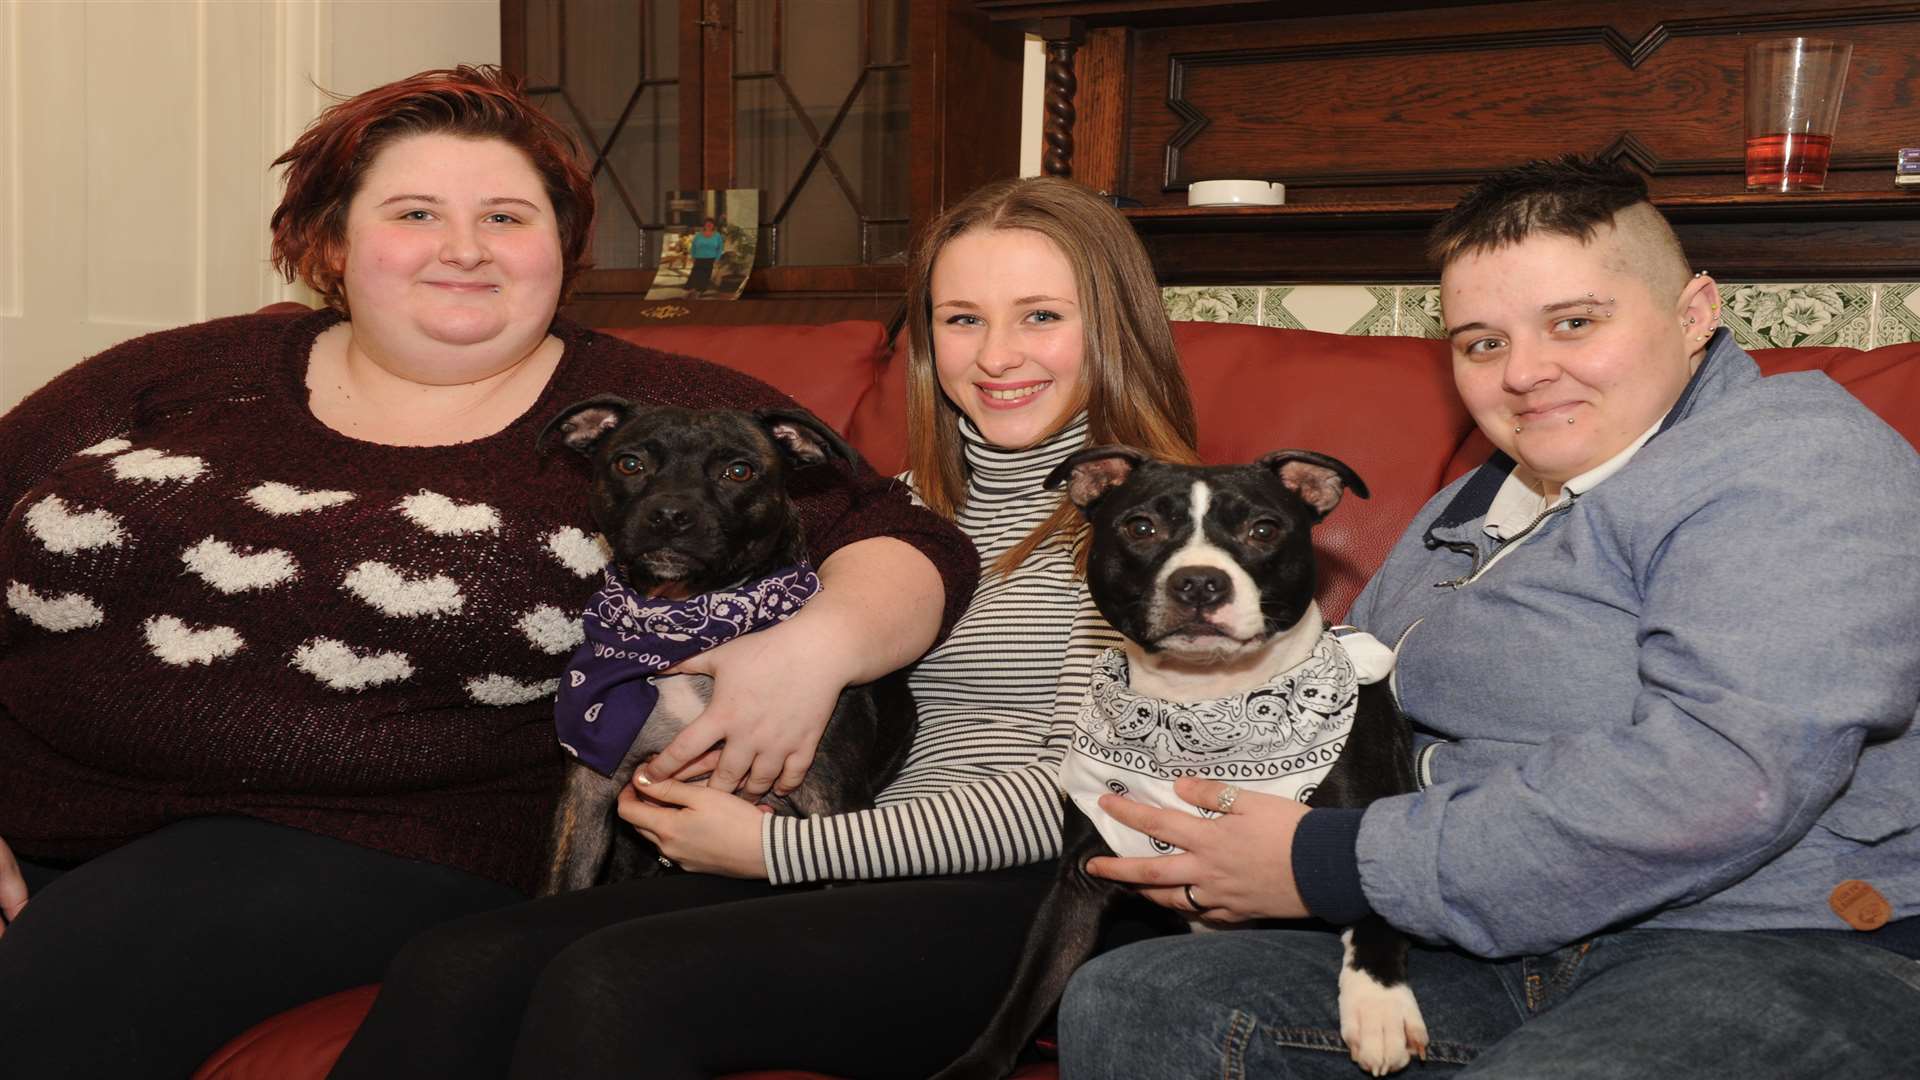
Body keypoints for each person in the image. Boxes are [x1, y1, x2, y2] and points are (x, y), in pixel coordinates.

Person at [0, 66, 976, 1079]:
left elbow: (903, 534)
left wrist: (815, 651)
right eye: (415, 211)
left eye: (507, 216)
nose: (463, 248)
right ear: (329, 242)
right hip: (36, 804)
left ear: (562, 248)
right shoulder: (181, 371)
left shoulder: (652, 410)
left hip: (363, 841)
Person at [1058, 156, 1920, 1078]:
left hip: (1770, 937)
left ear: (1695, 311)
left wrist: (1328, 862)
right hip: (1498, 938)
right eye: (1481, 343)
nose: (1527, 375)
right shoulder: (1491, 494)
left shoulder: (1796, 463)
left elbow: (1726, 778)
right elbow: (1362, 685)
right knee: (1137, 999)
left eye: (1574, 323)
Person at [323, 175, 1201, 1079]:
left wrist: (780, 849)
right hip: (846, 869)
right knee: (454, 961)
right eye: (963, 319)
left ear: (1117, 327)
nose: (998, 356)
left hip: (1020, 898)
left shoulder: (1166, 534)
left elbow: (1084, 794)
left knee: (613, 982)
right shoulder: (895, 512)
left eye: (1042, 317)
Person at [686, 216, 724, 294]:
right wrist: (692, 257)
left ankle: (700, 292)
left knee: (705, 277)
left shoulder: (717, 236)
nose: (709, 225)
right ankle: (692, 292)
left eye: (711, 223)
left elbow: (720, 248)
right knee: (695, 276)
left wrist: (717, 259)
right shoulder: (698, 235)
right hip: (698, 258)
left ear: (713, 225)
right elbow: (693, 247)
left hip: (710, 259)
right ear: (704, 225)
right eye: (707, 223)